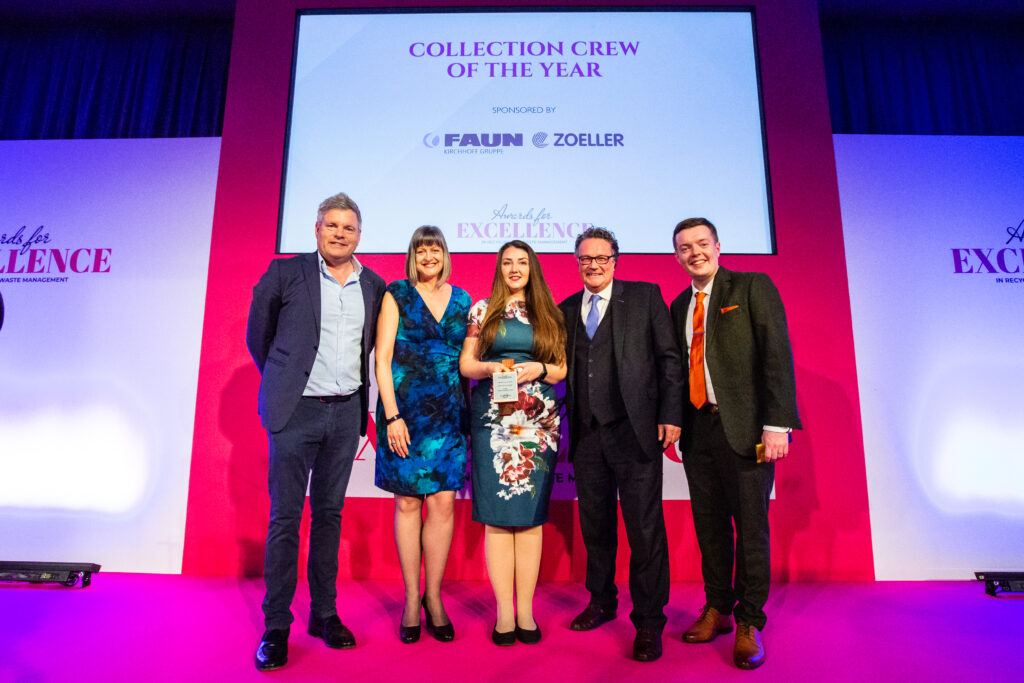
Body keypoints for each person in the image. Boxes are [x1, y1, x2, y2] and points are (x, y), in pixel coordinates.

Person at [246, 192, 385, 672]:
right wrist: (284, 382)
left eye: (348, 227)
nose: (340, 233)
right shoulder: (286, 272)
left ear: (359, 235)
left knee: (329, 516)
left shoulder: (375, 286)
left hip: (346, 414)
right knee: (285, 519)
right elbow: (256, 335)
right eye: (332, 225)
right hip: (295, 412)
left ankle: (324, 614)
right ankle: (276, 624)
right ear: (317, 229)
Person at [669, 217, 801, 670]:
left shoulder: (751, 287)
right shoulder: (677, 306)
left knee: (751, 530)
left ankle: (749, 620)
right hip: (698, 431)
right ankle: (719, 608)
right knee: (710, 528)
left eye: (701, 243)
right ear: (677, 256)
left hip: (747, 430)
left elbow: (776, 355)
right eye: (685, 247)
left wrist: (777, 424)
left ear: (719, 246)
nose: (694, 253)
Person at [558, 227, 683, 663]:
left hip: (637, 433)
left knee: (645, 530)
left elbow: (670, 360)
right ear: (577, 263)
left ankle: (649, 620)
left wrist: (670, 415)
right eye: (585, 259)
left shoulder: (646, 297)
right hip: (588, 436)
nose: (593, 265)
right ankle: (602, 601)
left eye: (601, 257)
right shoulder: (567, 309)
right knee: (596, 527)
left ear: (616, 260)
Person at [459, 240, 567, 646]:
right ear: (499, 267)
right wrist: (492, 367)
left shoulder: (550, 313)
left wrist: (538, 367)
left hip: (538, 422)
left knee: (531, 517)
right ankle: (504, 614)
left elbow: (562, 369)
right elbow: (466, 364)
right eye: (507, 262)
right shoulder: (482, 310)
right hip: (493, 419)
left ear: (532, 267)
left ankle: (527, 613)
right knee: (498, 519)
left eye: (522, 262)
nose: (515, 268)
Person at [374, 226, 471, 644]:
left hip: (449, 415)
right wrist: (393, 416)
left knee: (445, 505)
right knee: (409, 505)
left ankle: (435, 598)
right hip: (405, 415)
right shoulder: (396, 293)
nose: (429, 256)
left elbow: (471, 358)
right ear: (413, 255)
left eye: (435, 249)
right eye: (422, 249)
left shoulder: (465, 299)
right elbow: (381, 358)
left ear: (444, 254)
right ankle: (412, 599)